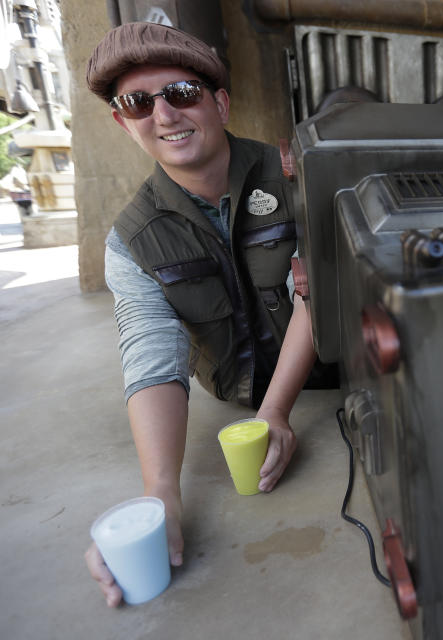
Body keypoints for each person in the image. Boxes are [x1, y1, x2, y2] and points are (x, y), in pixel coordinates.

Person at [82, 22, 336, 607]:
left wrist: (277, 411)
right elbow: (151, 353)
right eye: (139, 102)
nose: (164, 115)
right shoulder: (132, 239)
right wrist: (160, 496)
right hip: (234, 400)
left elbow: (318, 287)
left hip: (333, 387)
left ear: (219, 102)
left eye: (181, 93)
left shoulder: (300, 175)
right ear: (123, 123)